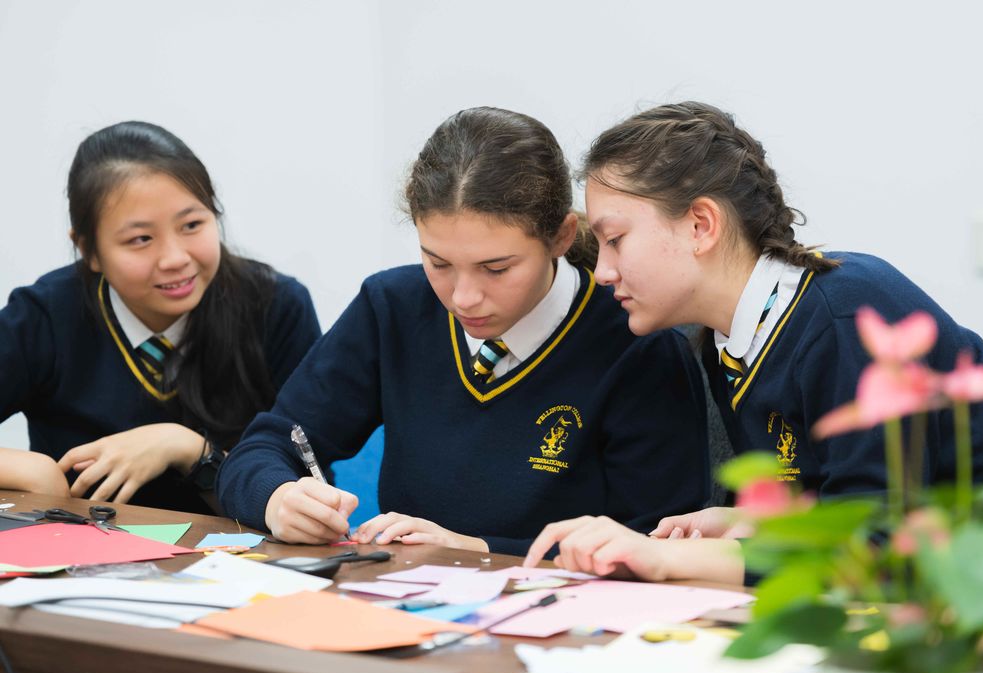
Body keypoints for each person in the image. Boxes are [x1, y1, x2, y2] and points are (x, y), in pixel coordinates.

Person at [525, 101, 983, 580]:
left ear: (701, 225)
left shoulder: (845, 314)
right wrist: (750, 523)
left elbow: (876, 547)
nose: (603, 271)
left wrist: (669, 559)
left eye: (615, 240)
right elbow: (828, 504)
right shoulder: (725, 342)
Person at [218, 107, 711, 555]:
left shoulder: (638, 346)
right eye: (438, 263)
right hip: (399, 600)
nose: (463, 298)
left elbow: (655, 544)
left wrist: (475, 549)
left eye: (496, 269)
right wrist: (276, 497)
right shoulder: (392, 307)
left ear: (560, 237)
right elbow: (263, 447)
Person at [0, 121, 320, 513]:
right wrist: (33, 471)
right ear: (88, 250)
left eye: (192, 225)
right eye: (141, 239)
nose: (175, 259)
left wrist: (189, 450)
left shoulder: (276, 307)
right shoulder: (46, 315)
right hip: (81, 549)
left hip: (242, 551)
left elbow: (311, 484)